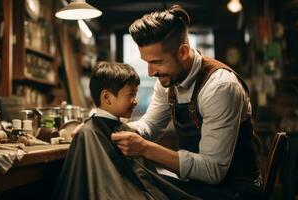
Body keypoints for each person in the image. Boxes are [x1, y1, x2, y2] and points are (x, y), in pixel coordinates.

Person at [110, 5, 262, 200]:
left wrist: (145, 148)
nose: (150, 72)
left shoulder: (220, 87)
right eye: (146, 62)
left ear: (182, 52)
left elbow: (212, 170)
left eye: (156, 62)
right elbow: (150, 126)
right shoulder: (168, 81)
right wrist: (107, 128)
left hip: (236, 190)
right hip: (200, 186)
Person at [53, 61, 198, 200]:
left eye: (135, 94)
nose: (135, 101)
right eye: (131, 94)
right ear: (107, 97)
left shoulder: (122, 131)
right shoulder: (89, 133)